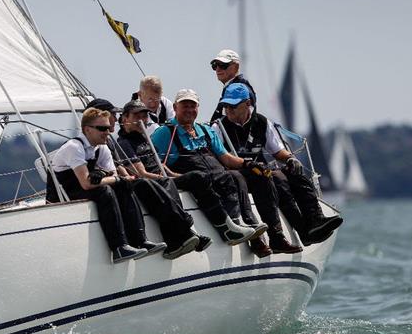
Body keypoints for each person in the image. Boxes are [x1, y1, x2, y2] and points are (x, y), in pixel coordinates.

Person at [116, 99, 262, 252]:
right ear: (124, 118)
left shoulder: (143, 138)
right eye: (136, 116)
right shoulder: (125, 142)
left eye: (144, 116)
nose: (142, 120)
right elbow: (142, 173)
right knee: (193, 178)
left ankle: (229, 224)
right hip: (155, 182)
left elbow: (160, 165)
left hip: (164, 178)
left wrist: (177, 175)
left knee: (203, 177)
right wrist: (169, 178)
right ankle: (211, 228)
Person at [213, 83, 343, 246]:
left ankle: (315, 219)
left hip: (260, 171)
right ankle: (301, 231)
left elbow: (277, 150)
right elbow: (221, 159)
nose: (228, 110)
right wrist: (247, 164)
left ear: (247, 104)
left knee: (293, 172)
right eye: (225, 106)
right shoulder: (218, 127)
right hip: (240, 175)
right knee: (277, 180)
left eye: (233, 106)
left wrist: (290, 159)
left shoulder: (261, 122)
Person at [85, 99, 207, 259]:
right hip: (105, 186)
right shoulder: (99, 143)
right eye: (112, 115)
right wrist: (125, 177)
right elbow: (103, 173)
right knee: (147, 183)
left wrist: (125, 176)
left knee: (169, 180)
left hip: (122, 181)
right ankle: (183, 229)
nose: (114, 118)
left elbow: (116, 167)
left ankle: (181, 234)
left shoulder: (109, 141)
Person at [46, 107, 167, 263]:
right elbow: (87, 184)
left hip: (83, 187)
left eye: (109, 128)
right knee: (105, 190)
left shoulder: (101, 147)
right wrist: (113, 179)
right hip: (64, 193)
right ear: (87, 130)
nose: (108, 132)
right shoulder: (74, 147)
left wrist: (108, 176)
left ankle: (140, 240)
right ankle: (118, 248)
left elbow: (114, 175)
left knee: (123, 186)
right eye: (102, 128)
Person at [208, 49, 257, 124]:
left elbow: (243, 121)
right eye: (215, 65)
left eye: (222, 65)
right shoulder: (231, 87)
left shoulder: (242, 89)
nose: (217, 69)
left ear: (236, 67)